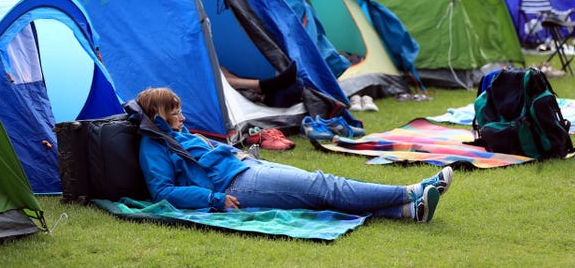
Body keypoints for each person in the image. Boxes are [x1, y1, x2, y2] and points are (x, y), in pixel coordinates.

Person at [136, 87, 453, 222]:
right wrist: (212, 200)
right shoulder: (155, 144)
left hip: (243, 170)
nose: (183, 117)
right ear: (157, 114)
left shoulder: (177, 135)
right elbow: (162, 191)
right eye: (174, 112)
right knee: (322, 185)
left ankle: (410, 211)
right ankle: (410, 191)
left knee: (316, 198)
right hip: (233, 186)